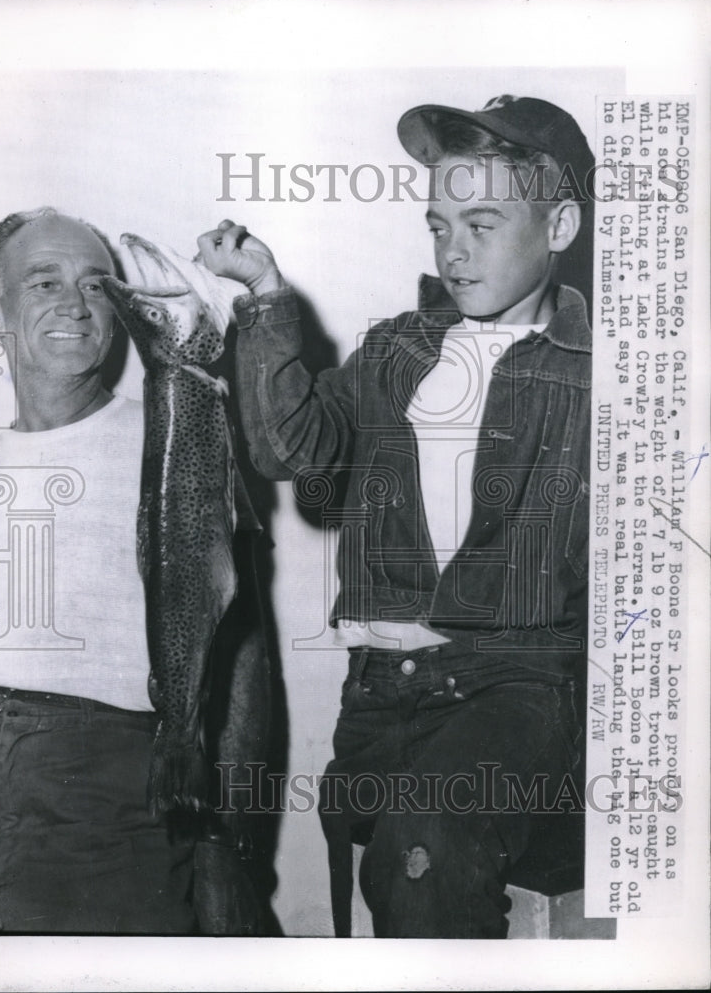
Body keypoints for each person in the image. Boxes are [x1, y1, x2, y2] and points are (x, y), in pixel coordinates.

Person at [198, 95, 594, 938]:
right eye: (439, 224)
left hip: (515, 688)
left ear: (560, 224)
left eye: (483, 223)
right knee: (390, 882)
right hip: (379, 691)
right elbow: (288, 452)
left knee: (424, 849)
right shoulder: (397, 348)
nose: (454, 250)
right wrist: (266, 294)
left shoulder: (604, 371)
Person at [0, 209, 200, 934]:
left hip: (109, 783)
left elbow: (234, 644)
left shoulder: (175, 435)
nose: (74, 305)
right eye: (43, 282)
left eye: (97, 287)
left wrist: (223, 840)